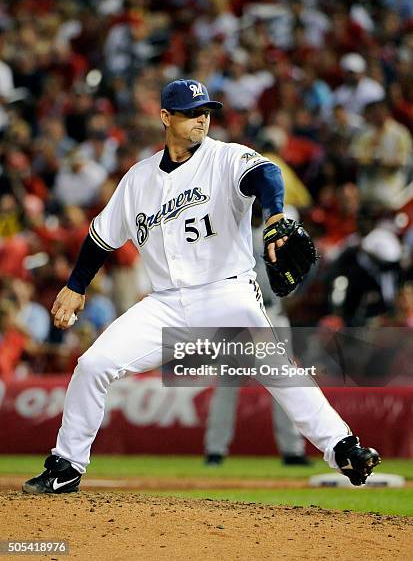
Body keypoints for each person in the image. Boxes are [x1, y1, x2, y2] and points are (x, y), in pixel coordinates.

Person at [23, 79, 380, 494]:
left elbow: (266, 174)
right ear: (166, 118)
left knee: (279, 370)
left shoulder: (225, 158)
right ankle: (66, 466)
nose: (202, 119)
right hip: (165, 304)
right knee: (93, 365)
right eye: (192, 113)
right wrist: (75, 286)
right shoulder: (138, 179)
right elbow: (101, 237)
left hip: (226, 292)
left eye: (206, 111)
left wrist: (275, 214)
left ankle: (344, 448)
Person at [204, 203, 310, 466]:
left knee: (283, 380)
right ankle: (215, 449)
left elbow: (299, 270)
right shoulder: (229, 229)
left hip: (271, 314)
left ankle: (292, 450)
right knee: (228, 383)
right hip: (236, 318)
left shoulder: (275, 229)